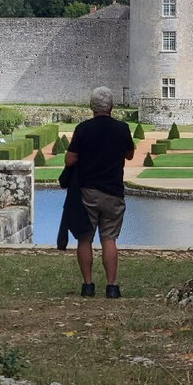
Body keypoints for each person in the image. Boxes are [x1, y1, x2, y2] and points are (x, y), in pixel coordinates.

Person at [65, 86, 135, 298]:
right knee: (109, 239)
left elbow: (70, 159)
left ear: (91, 107)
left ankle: (88, 286)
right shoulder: (122, 128)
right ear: (112, 107)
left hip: (88, 191)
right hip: (113, 190)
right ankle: (112, 286)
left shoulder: (83, 128)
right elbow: (130, 155)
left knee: (85, 239)